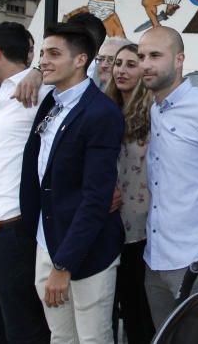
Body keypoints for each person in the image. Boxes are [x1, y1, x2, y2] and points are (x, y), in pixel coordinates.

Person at [20, 23, 124, 344]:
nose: (43, 62)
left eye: (53, 54)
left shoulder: (101, 112)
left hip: (87, 251)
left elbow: (96, 197)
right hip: (46, 239)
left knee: (92, 338)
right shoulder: (50, 102)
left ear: (80, 60)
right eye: (41, 54)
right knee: (61, 337)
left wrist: (63, 265)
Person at [137, 26, 198, 327]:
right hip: (156, 256)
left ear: (179, 59)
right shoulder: (154, 109)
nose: (146, 64)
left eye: (155, 55)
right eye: (141, 56)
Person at [0, 22, 50, 344]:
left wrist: (38, 71)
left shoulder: (40, 90)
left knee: (23, 330)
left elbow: (79, 86)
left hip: (14, 231)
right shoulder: (1, 93)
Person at [103, 43, 155, 344]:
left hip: (141, 229)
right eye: (118, 63)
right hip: (106, 224)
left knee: (138, 312)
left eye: (130, 64)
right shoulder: (103, 108)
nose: (121, 69)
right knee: (106, 311)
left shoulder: (151, 112)